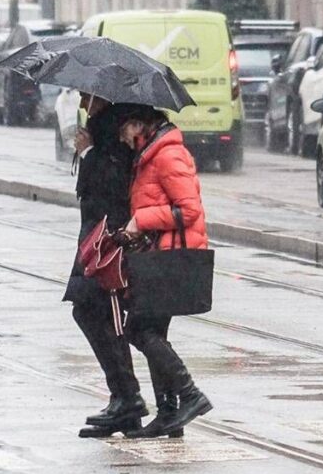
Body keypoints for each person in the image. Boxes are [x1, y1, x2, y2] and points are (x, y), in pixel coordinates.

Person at [118, 106, 212, 438]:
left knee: (139, 330)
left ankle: (189, 395)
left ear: (140, 123)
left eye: (125, 129)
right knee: (152, 331)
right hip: (158, 253)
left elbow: (189, 210)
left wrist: (141, 220)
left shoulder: (167, 154)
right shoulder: (150, 153)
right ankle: (169, 414)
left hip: (171, 256)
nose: (123, 138)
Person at [64, 94, 148, 438]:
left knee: (100, 314)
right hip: (95, 236)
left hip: (108, 239)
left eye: (88, 95)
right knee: (90, 312)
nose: (83, 100)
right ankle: (123, 400)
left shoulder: (114, 128)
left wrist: (87, 152)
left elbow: (113, 184)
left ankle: (127, 398)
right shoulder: (104, 125)